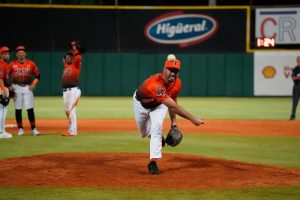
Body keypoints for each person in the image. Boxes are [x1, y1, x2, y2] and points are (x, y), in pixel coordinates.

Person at [133, 54, 204, 175]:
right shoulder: (155, 84)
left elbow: (173, 102)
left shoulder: (177, 83)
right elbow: (172, 106)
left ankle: (153, 162)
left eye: (176, 71)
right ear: (164, 70)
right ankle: (154, 136)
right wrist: (193, 119)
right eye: (171, 70)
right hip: (141, 104)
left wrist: (174, 123)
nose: (173, 73)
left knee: (157, 126)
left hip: (159, 105)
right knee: (143, 133)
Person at [8, 46, 41, 136]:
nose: (21, 54)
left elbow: (38, 75)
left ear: (25, 54)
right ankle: (20, 129)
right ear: (16, 54)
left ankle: (33, 129)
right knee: (18, 109)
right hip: (16, 87)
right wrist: (9, 85)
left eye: (22, 52)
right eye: (19, 53)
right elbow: (5, 75)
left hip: (28, 87)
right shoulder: (12, 64)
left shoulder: (31, 63)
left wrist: (34, 83)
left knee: (30, 109)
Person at [61, 41, 83, 136]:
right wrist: (70, 52)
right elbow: (64, 59)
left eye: (70, 56)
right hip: (66, 92)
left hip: (73, 90)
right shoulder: (66, 65)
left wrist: (74, 48)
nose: (68, 58)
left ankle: (73, 131)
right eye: (67, 57)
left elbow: (78, 57)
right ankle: (71, 129)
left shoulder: (76, 65)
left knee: (70, 110)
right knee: (69, 111)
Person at [0, 46, 12, 139]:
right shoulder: (1, 64)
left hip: (4, 88)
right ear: (1, 55)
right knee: (2, 110)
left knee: (2, 110)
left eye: (8, 53)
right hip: (2, 88)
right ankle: (1, 132)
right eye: (5, 54)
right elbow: (0, 78)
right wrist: (3, 90)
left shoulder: (5, 64)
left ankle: (1, 130)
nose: (7, 55)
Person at [290, 56, 300, 120]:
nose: (298, 61)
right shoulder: (295, 69)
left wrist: (297, 77)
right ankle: (293, 115)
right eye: (298, 60)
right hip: (297, 86)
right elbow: (293, 78)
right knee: (295, 101)